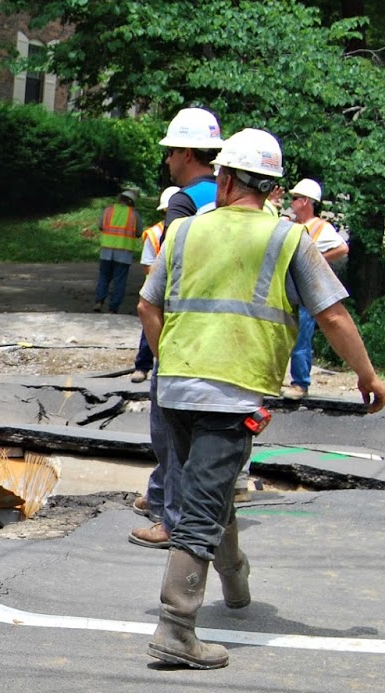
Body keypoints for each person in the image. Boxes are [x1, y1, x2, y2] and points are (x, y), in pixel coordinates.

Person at [136, 128, 385, 670]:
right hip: (232, 393)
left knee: (210, 486)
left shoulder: (181, 232)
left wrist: (170, 360)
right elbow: (333, 314)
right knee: (203, 507)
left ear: (224, 178)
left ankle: (235, 582)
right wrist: (367, 376)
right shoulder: (286, 238)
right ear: (273, 187)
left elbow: (147, 307)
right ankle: (176, 628)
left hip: (176, 389)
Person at [130, 107, 224, 549]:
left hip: (182, 328)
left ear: (186, 152)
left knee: (168, 430)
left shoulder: (183, 202)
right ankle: (161, 498)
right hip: (221, 331)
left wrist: (159, 348)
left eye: (170, 153)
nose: (167, 161)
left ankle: (170, 520)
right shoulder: (228, 197)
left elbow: (163, 281)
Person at [280, 179, 349, 400]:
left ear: (306, 201)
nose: (291, 202)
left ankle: (300, 384)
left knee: (301, 337)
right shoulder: (291, 224)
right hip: (287, 290)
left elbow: (341, 248)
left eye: (295, 198)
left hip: (305, 291)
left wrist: (316, 261)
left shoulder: (320, 227)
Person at [129, 186, 180, 383]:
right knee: (149, 325)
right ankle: (143, 366)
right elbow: (147, 265)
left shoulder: (190, 231)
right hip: (159, 290)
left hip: (177, 291)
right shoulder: (155, 233)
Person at [93, 189, 140, 314]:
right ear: (132, 202)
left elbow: (101, 226)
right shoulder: (134, 214)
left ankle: (99, 301)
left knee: (104, 277)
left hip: (106, 251)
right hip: (124, 253)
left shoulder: (108, 210)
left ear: (120, 199)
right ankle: (113, 308)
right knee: (120, 280)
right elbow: (139, 232)